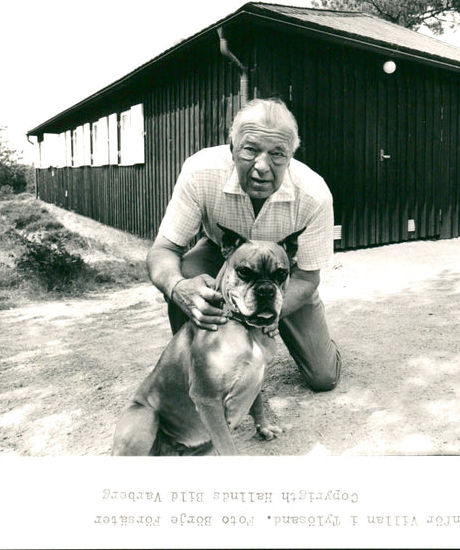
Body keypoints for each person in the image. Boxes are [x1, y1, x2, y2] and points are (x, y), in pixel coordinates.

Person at [146, 98, 341, 392]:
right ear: (232, 148)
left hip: (283, 275)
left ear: (291, 157)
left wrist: (273, 308)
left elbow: (307, 276)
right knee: (184, 273)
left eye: (277, 154)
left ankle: (318, 343)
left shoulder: (314, 195)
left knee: (323, 377)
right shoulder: (200, 171)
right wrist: (178, 288)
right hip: (221, 253)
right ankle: (196, 363)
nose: (262, 166)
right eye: (250, 150)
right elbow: (163, 250)